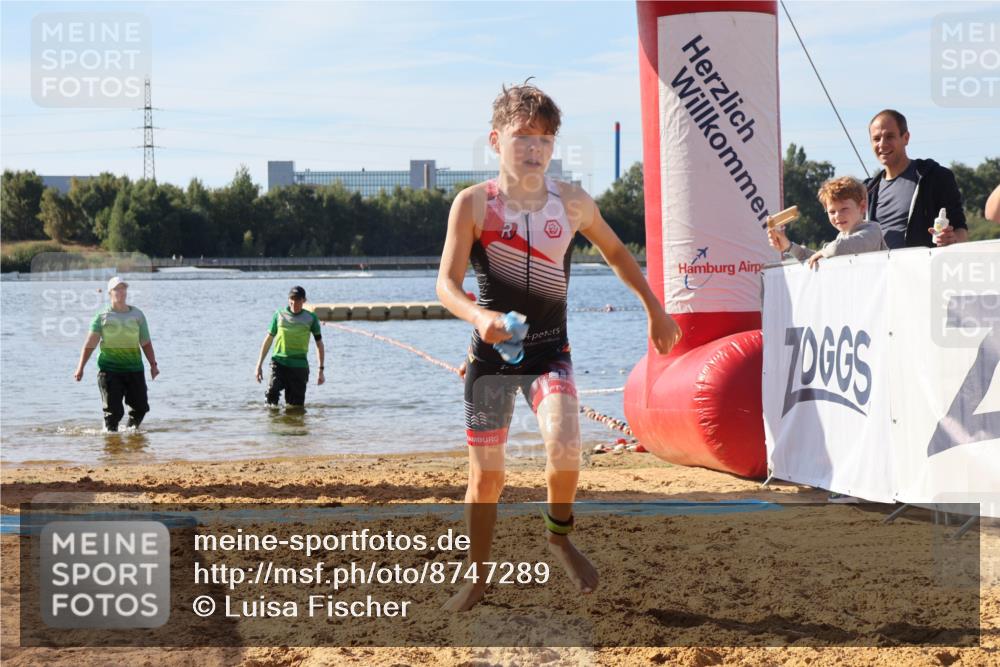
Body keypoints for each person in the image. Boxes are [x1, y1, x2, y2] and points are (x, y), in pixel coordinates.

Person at [435, 81, 681, 612]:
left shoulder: (570, 202)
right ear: (496, 140)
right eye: (523, 136)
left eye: (545, 139)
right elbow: (446, 286)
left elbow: (617, 253)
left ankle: (558, 537)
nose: (534, 148)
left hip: (550, 353)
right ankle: (477, 577)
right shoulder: (473, 204)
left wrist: (654, 309)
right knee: (487, 479)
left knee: (567, 446)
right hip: (491, 360)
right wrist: (480, 316)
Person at [865, 109, 967, 249]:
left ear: (906, 138)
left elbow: (961, 229)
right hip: (878, 263)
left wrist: (952, 239)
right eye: (876, 139)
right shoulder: (866, 191)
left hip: (922, 262)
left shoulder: (936, 176)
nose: (882, 144)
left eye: (890, 136)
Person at [74, 276, 159, 431]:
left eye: (123, 288)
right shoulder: (102, 316)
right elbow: (89, 345)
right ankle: (111, 439)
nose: (121, 291)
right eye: (117, 289)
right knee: (114, 413)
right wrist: (80, 368)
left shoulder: (137, 315)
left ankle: (131, 435)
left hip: (134, 369)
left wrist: (153, 365)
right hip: (109, 370)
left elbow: (146, 343)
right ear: (110, 293)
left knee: (140, 408)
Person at [768, 176, 887, 268]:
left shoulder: (873, 231)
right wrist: (788, 246)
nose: (838, 216)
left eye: (844, 209)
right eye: (832, 211)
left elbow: (837, 248)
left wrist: (823, 252)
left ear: (862, 207)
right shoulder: (841, 237)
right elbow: (815, 258)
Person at [255, 286, 325, 407]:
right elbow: (268, 339)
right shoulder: (279, 314)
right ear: (288, 299)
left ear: (304, 300)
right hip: (278, 362)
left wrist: (321, 370)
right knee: (271, 395)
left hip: (299, 366)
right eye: (292, 299)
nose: (294, 302)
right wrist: (259, 365)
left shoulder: (311, 318)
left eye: (297, 299)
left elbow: (319, 344)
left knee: (295, 408)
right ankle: (272, 418)